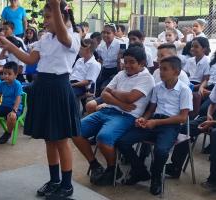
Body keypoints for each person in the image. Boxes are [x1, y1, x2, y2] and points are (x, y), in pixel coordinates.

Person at [0, 0, 81, 197]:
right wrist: (9, 44)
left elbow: (64, 37)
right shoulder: (45, 39)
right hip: (42, 87)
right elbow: (29, 60)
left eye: (48, 16)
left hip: (59, 88)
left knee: (60, 140)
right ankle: (54, 180)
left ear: (62, 16)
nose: (45, 21)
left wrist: (55, 5)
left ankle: (67, 186)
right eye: (44, 17)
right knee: (49, 139)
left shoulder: (73, 37)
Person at [72, 46, 155, 186]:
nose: (127, 65)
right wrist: (121, 103)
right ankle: (94, 165)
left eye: (132, 62)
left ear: (142, 63)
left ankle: (112, 169)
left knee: (103, 138)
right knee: (75, 130)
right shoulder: (121, 74)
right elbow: (104, 93)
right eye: (125, 61)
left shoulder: (147, 78)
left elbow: (130, 97)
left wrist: (114, 93)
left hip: (127, 116)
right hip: (109, 110)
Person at [117, 56, 192, 195]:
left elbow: (182, 117)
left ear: (176, 72)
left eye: (165, 69)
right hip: (153, 121)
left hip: (171, 125)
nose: (161, 72)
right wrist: (143, 119)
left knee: (161, 151)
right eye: (160, 69)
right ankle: (140, 171)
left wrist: (156, 122)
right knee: (122, 141)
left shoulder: (184, 90)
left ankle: (156, 178)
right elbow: (151, 109)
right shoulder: (158, 87)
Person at [94, 24, 120, 96]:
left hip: (116, 70)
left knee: (105, 88)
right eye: (103, 32)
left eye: (108, 33)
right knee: (96, 87)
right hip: (104, 70)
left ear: (114, 34)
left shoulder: (119, 44)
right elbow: (100, 59)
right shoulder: (101, 46)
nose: (105, 35)